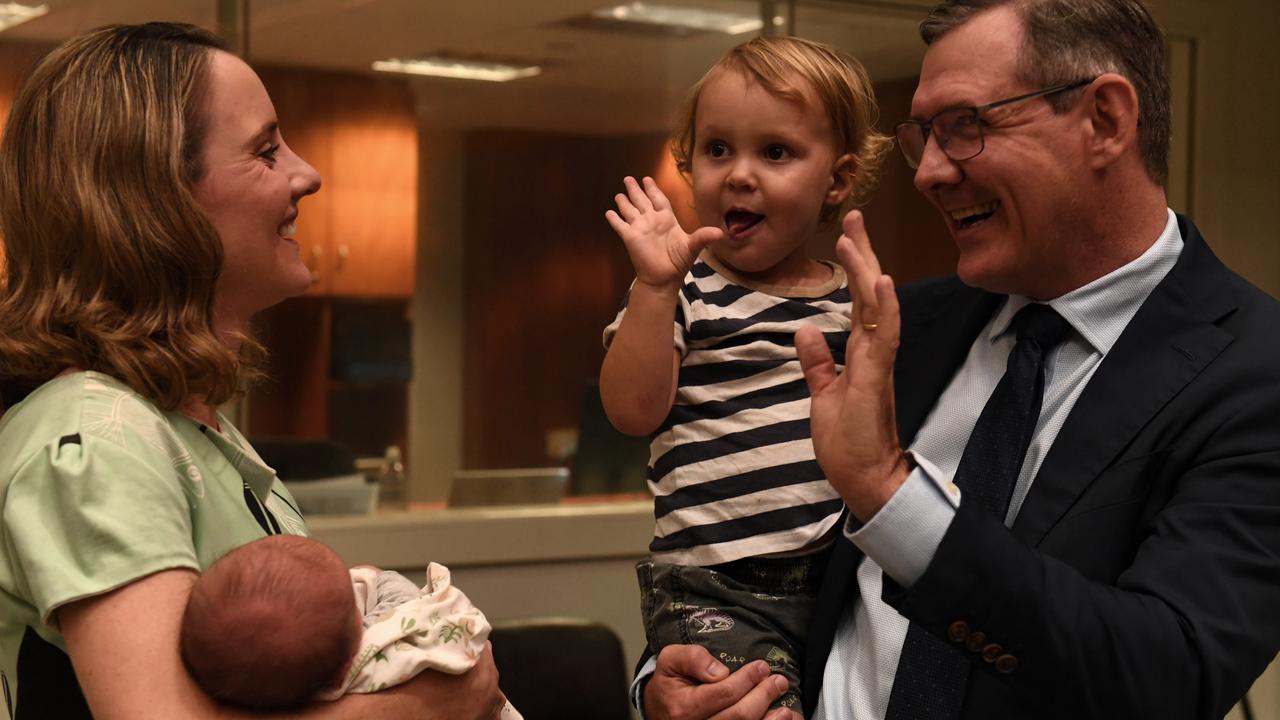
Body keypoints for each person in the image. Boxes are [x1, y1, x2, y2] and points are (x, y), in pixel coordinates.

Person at [637, 1, 1280, 719]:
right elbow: (745, 528)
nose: (928, 174)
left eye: (966, 127)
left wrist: (893, 499)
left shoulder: (1254, 373)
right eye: (924, 137)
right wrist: (675, 679)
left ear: (1103, 120)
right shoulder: (896, 324)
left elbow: (1172, 675)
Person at [0, 22, 504, 719]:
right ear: (156, 200)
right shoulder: (96, 438)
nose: (308, 173)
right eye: (267, 151)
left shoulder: (184, 429)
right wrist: (433, 704)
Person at [600, 36, 890, 718]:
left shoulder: (850, 299)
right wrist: (651, 287)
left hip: (835, 574)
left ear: (838, 180)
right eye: (718, 149)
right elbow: (632, 410)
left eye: (776, 152)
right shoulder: (683, 290)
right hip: (715, 586)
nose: (738, 174)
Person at [181, 535, 522, 717]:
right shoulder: (379, 657)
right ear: (347, 664)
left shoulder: (277, 689)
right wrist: (376, 578)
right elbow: (423, 612)